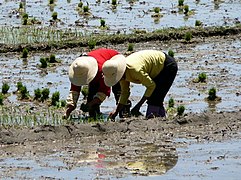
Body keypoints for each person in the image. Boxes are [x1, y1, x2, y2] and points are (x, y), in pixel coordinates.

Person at [102, 49, 178, 120]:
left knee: (154, 98)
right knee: (156, 98)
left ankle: (153, 121)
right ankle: (161, 119)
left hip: (167, 66)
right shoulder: (122, 75)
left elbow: (151, 86)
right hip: (155, 69)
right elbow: (125, 92)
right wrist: (116, 111)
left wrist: (138, 106)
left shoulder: (135, 70)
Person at [63, 48, 131, 119]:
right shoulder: (78, 69)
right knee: (92, 105)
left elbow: (103, 91)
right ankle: (95, 115)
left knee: (118, 91)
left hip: (114, 64)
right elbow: (74, 91)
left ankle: (124, 112)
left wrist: (90, 104)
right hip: (99, 68)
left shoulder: (100, 71)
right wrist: (69, 109)